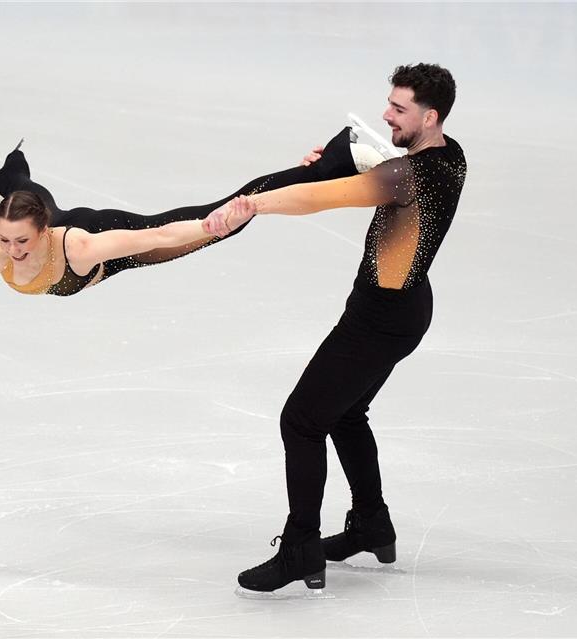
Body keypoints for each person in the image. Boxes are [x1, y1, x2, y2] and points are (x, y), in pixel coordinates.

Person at [203, 63, 467, 595]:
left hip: (380, 320)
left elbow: (328, 198)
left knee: (301, 421)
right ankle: (372, 523)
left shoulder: (413, 176)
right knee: (345, 414)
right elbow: (380, 171)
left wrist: (256, 202)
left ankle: (301, 547)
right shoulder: (448, 155)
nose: (385, 114)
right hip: (404, 308)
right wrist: (328, 165)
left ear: (429, 115)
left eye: (398, 109)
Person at [0, 128, 379, 296]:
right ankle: (10, 172)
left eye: (22, 242)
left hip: (114, 237)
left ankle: (334, 157)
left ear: (45, 231)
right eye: (7, 241)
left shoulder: (77, 244)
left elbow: (155, 234)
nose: (12, 252)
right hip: (56, 219)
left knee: (230, 213)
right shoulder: (4, 242)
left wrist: (208, 227)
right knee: (24, 188)